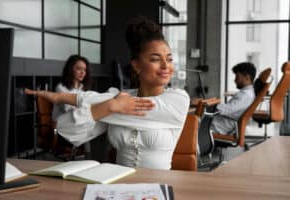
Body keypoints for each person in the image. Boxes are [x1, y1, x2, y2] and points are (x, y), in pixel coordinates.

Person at [25, 16, 190, 170]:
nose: (165, 66)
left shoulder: (177, 100)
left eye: (169, 59)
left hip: (158, 188)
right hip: (118, 186)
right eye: (155, 59)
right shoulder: (116, 100)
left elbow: (134, 107)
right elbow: (65, 128)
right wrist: (110, 106)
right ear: (136, 66)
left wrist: (105, 105)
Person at [210, 62, 256, 135]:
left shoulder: (245, 95)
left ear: (247, 77)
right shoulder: (249, 93)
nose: (235, 80)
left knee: (190, 124)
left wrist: (208, 104)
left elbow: (225, 110)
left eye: (237, 77)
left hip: (218, 127)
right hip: (220, 125)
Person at [52, 55, 92, 121]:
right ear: (70, 69)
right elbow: (68, 108)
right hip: (61, 124)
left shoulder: (83, 87)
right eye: (79, 69)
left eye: (85, 70)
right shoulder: (61, 87)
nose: (82, 72)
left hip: (77, 122)